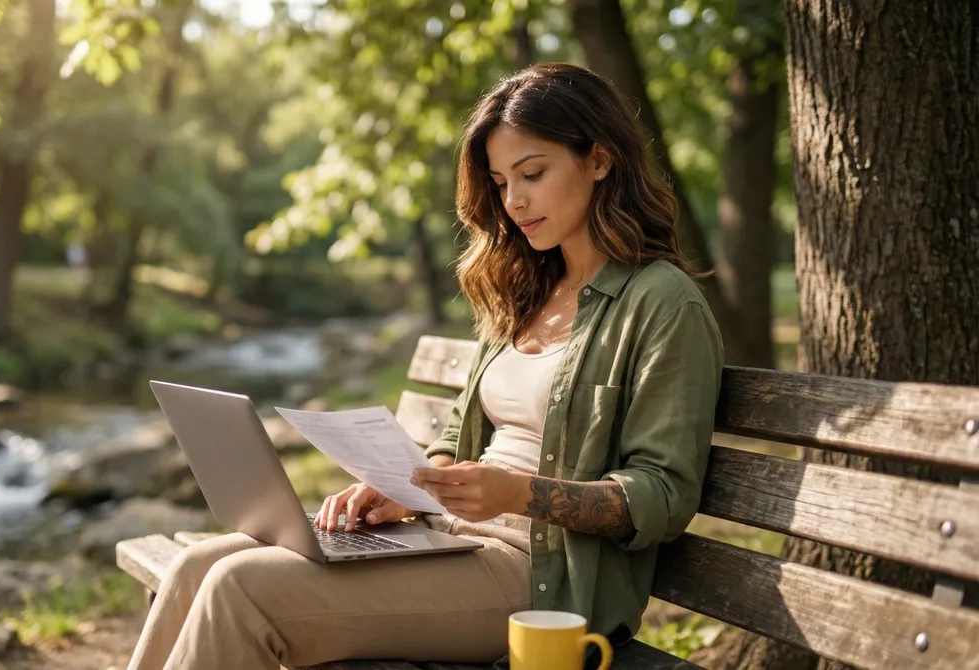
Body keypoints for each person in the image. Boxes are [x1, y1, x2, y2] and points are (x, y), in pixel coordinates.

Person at [126, 62, 723, 670]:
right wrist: (408, 490)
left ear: (599, 160)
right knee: (195, 567)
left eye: (532, 174)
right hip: (447, 538)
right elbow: (456, 436)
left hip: (545, 582)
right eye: (501, 182)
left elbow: (664, 496)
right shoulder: (527, 292)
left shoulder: (662, 303)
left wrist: (520, 493)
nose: (514, 201)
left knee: (242, 589)